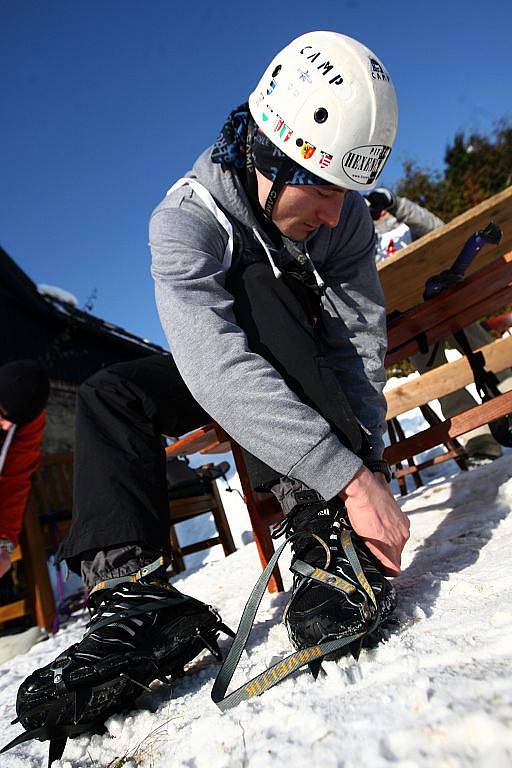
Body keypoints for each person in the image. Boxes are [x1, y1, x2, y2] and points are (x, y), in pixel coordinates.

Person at [8, 32, 410, 760]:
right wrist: (348, 474)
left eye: (343, 193)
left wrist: (361, 467)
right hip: (227, 366)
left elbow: (357, 338)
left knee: (267, 291)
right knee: (110, 393)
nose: (335, 213)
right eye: (321, 188)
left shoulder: (343, 218)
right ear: (268, 156)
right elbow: (214, 363)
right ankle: (135, 599)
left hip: (310, 369)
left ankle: (330, 541)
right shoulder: (186, 221)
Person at [366, 187, 509, 463]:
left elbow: (440, 230)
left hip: (446, 298)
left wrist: (397, 205)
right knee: (438, 376)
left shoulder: (405, 223)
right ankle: (478, 440)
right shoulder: (361, 240)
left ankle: (508, 393)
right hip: (410, 319)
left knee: (482, 349)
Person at [0, 360, 49, 579]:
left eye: (14, 421)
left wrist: (4, 543)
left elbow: (15, 482)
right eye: (1, 414)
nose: (7, 426)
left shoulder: (29, 419)